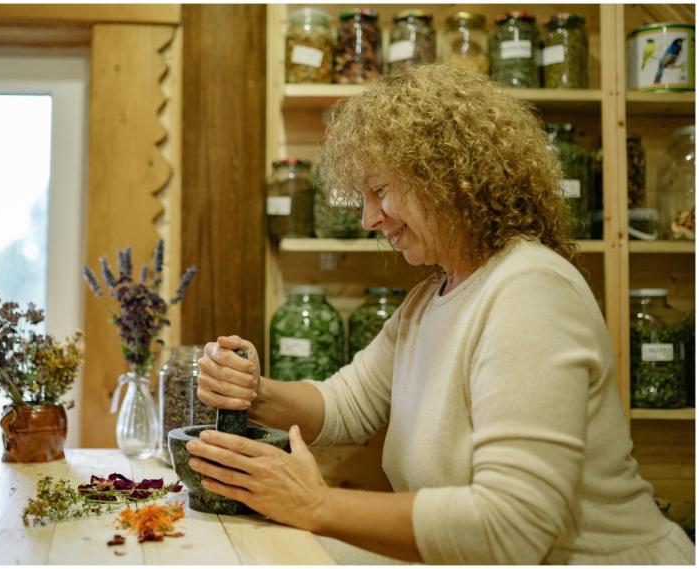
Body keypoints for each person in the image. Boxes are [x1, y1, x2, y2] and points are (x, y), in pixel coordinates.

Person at [184, 63, 695, 564]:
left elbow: (510, 528)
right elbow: (345, 403)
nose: (368, 219)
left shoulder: (529, 291)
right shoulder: (427, 303)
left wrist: (316, 504)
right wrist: (253, 391)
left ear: (446, 178)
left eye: (379, 191)